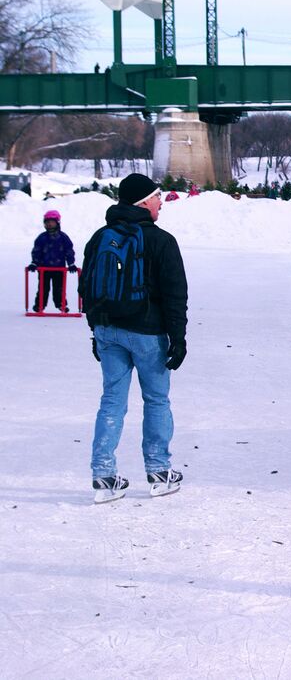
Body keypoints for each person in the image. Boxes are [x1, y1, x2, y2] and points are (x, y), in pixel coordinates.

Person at [81, 173, 189, 504]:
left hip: (108, 331)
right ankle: (158, 471)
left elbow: (86, 286)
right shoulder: (161, 241)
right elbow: (175, 294)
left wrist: (95, 331)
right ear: (143, 201)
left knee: (111, 400)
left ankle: (104, 475)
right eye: (157, 196)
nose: (161, 203)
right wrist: (178, 338)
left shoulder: (101, 237)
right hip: (147, 333)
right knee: (156, 399)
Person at [28, 210, 77, 313]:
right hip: (44, 269)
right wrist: (34, 262)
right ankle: (40, 305)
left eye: (52, 222)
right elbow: (37, 251)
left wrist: (71, 263)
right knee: (43, 288)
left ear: (57, 222)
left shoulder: (63, 237)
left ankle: (61, 305)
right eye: (47, 222)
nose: (49, 224)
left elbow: (69, 250)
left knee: (59, 289)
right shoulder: (42, 238)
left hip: (59, 268)